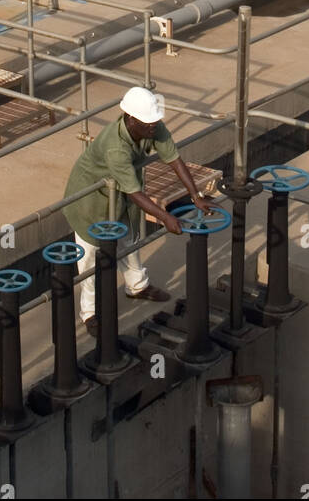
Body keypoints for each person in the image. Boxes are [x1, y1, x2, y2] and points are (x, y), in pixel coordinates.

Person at [63, 86, 212, 335]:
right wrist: (166, 218)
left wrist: (196, 196)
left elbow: (174, 159)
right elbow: (135, 192)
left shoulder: (151, 125)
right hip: (90, 201)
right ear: (131, 120)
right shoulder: (116, 147)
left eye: (155, 122)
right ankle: (89, 313)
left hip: (118, 195)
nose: (154, 127)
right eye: (149, 123)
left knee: (128, 239)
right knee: (89, 258)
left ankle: (137, 286)